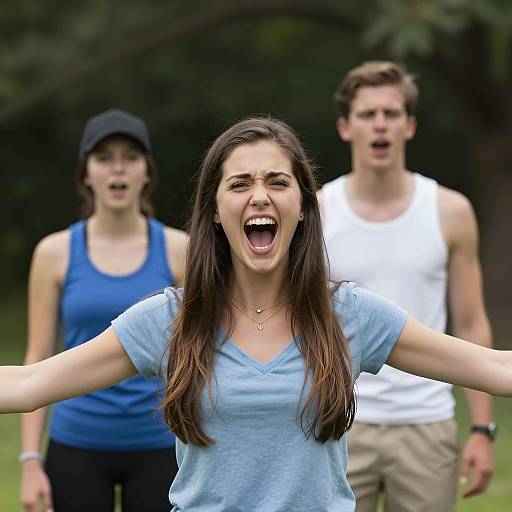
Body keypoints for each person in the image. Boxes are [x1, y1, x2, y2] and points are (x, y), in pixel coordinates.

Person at [2, 117, 511, 512]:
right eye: (240, 183)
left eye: (277, 182)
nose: (260, 195)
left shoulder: (351, 316)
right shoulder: (169, 321)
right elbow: (27, 385)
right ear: (216, 211)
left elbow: (492, 368)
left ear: (304, 207)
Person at [319, 61, 494, 512]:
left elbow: (472, 322)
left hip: (426, 422)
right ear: (345, 126)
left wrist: (481, 429)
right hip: (338, 423)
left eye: (392, 113)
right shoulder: (315, 212)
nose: (380, 124)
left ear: (409, 126)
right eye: (367, 114)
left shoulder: (451, 211)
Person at [19, 109, 188, 512]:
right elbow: (38, 356)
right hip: (76, 444)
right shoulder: (53, 253)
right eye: (103, 157)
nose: (118, 169)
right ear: (85, 174)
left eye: (130, 157)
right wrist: (29, 461)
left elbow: (203, 354)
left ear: (147, 172)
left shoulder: (182, 250)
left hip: (160, 446)